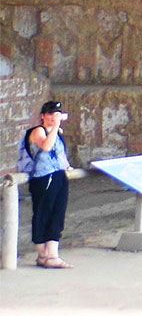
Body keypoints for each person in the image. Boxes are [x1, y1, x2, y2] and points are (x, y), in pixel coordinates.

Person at [27, 100, 74, 268]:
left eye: (57, 114)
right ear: (43, 116)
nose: (55, 117)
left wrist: (67, 166)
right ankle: (43, 252)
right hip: (44, 176)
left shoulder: (57, 133)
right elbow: (46, 146)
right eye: (51, 114)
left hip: (59, 175)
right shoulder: (38, 131)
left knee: (58, 212)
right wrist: (54, 127)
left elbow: (60, 153)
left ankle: (52, 253)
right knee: (43, 212)